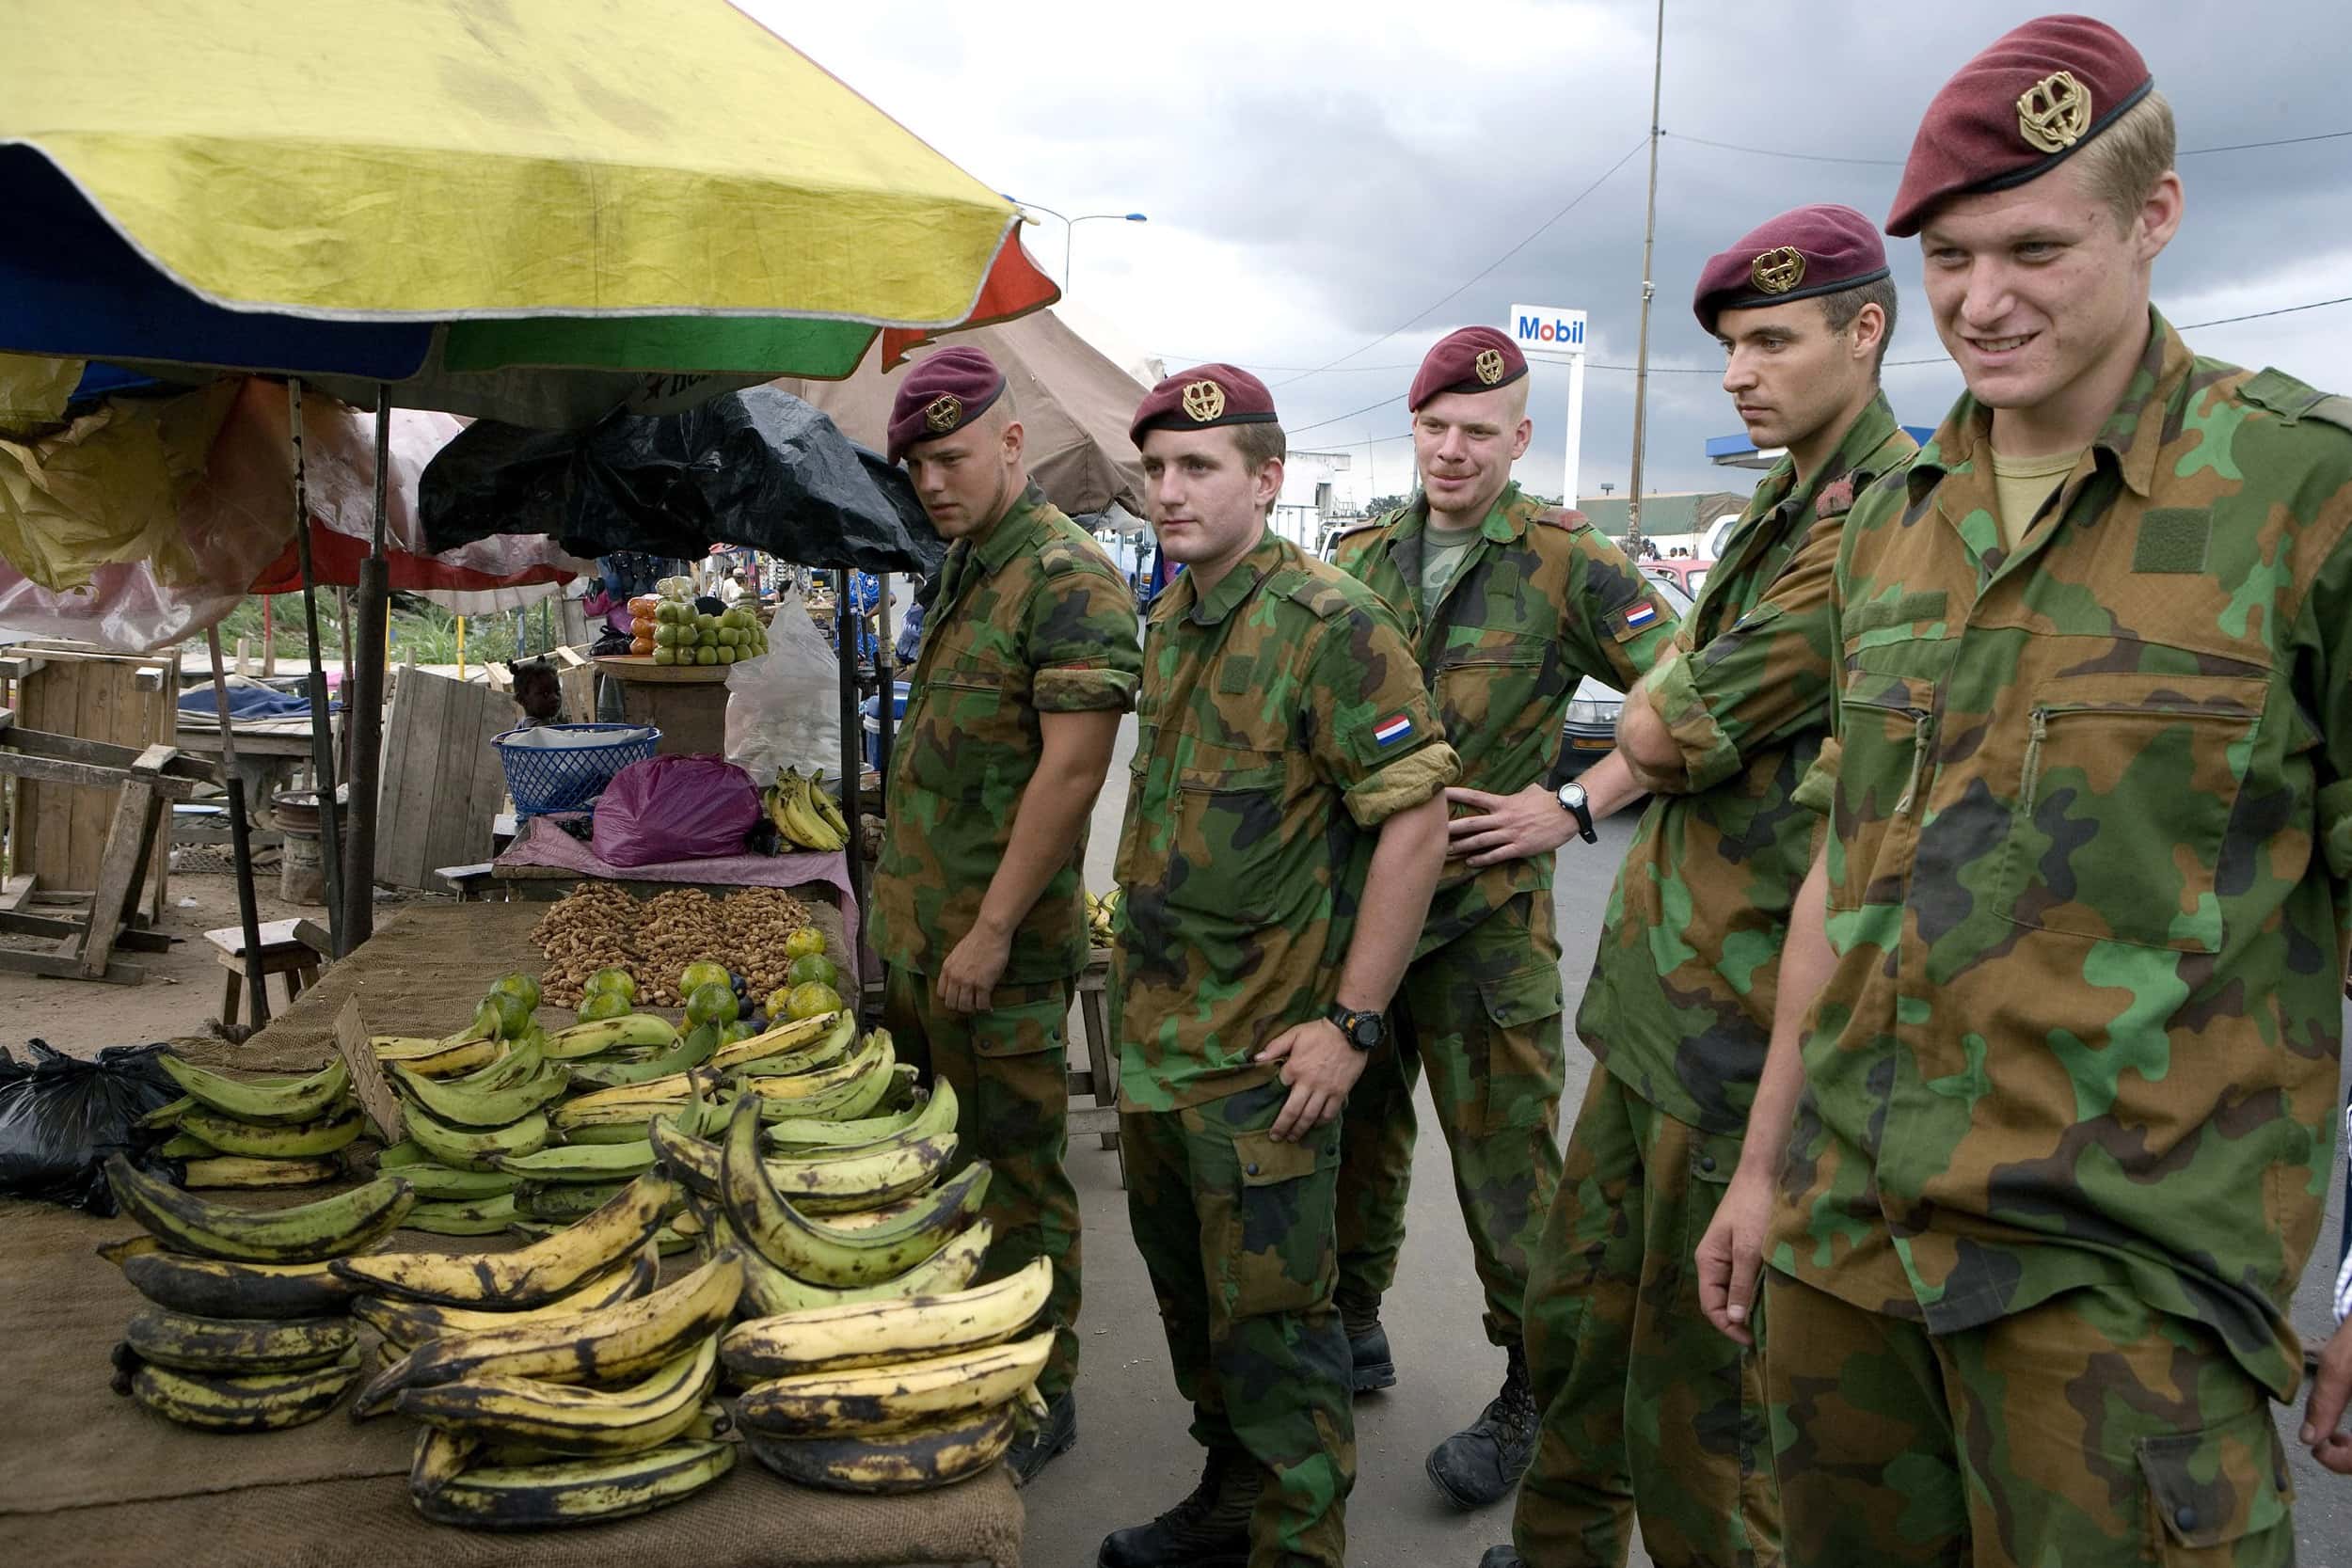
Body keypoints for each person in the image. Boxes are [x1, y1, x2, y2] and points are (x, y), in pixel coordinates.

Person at [1694, 17, 2352, 1563]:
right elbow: (1842, 880)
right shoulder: (1890, 529)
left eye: (2037, 248)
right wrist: (1759, 1167)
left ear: (2155, 218)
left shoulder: (2300, 499)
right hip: (1850, 1258)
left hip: (2118, 1288)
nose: (1983, 303)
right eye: (1947, 258)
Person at [1486, 204, 1917, 1568]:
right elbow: (1664, 710)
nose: (1739, 370)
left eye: (1772, 339)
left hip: (1743, 1042)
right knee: (1576, 1329)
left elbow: (1662, 725)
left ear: (1867, 331)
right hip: (1659, 1010)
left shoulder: (1879, 522)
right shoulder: (1783, 513)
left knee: (1698, 1411)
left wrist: (1651, 724)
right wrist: (1644, 732)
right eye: (1731, 343)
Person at [1102, 363, 1457, 1568]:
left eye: (1196, 466)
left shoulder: (1332, 625)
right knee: (1195, 1315)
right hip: (1160, 1045)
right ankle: (1231, 1497)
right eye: (1153, 467)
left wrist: (1351, 1024)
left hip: (1262, 1059)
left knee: (1280, 1336)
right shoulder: (1173, 614)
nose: (1167, 489)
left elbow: (1415, 820)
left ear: (1267, 477)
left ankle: (1296, 1540)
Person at [1325, 325, 1681, 1510]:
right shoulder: (1358, 555)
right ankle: (1353, 1324)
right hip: (1365, 919)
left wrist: (1576, 802)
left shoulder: (1566, 562)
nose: (1452, 449)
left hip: (1484, 927)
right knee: (1351, 1140)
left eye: (1479, 431)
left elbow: (1691, 686)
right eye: (1434, 426)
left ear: (1519, 439)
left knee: (1510, 1178)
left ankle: (1536, 1388)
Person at [867, 346, 1142, 1484]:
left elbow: (1071, 775)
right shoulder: (968, 567)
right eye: (918, 464)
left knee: (1020, 1179)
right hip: (925, 943)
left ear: (1013, 443)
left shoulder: (1069, 579)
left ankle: (1042, 1387)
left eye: (953, 455)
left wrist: (986, 930)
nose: (933, 481)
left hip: (999, 952)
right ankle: (964, 1351)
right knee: (943, 1166)